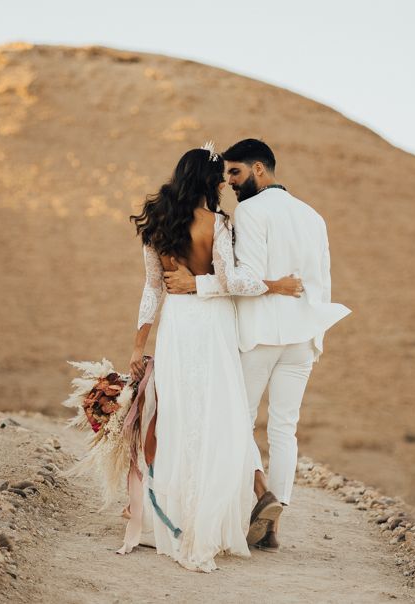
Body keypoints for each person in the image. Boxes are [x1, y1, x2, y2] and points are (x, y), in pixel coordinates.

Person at [164, 139, 351, 552]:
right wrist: (315, 336)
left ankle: (259, 499)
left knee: (238, 421)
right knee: (285, 429)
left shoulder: (249, 212)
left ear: (259, 170)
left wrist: (196, 284)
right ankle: (272, 525)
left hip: (260, 333)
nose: (228, 182)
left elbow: (242, 279)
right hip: (303, 337)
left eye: (235, 172)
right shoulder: (312, 215)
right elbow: (321, 281)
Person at [126, 144, 302, 572]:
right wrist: (276, 285)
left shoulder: (157, 225)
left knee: (179, 419)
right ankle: (223, 512)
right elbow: (232, 281)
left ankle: (177, 524)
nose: (225, 183)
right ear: (209, 181)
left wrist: (138, 345)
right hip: (213, 327)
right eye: (220, 178)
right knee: (220, 418)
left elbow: (153, 289)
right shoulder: (217, 223)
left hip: (176, 330)